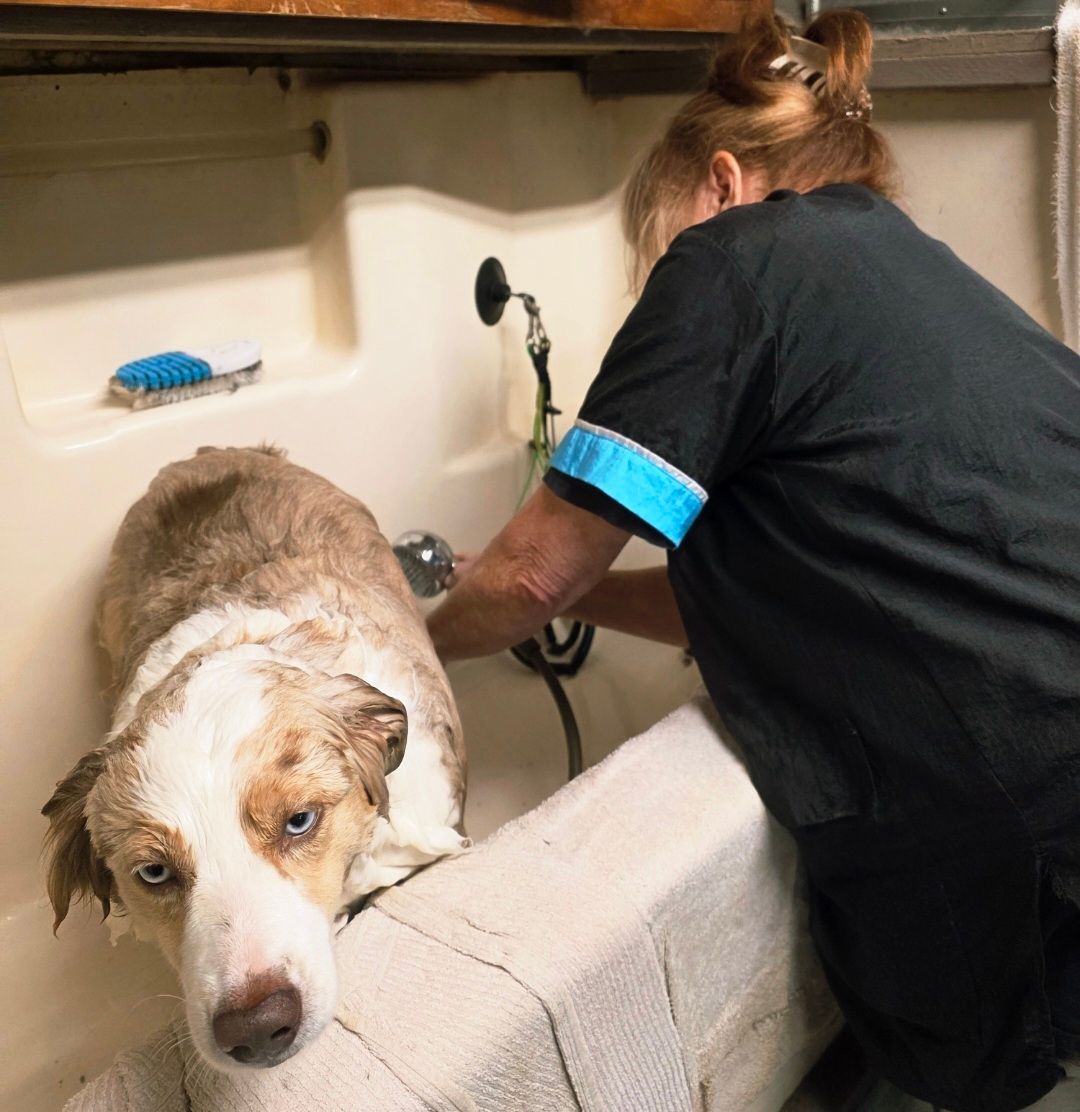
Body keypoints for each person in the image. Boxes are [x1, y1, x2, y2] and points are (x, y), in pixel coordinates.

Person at [427, 11, 1080, 1111]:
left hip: (1013, 775)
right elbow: (722, 595)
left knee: (951, 1058)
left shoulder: (731, 260)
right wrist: (544, 606)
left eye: (653, 257)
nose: (657, 287)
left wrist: (412, 638)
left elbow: (537, 574)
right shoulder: (901, 262)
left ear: (720, 184)